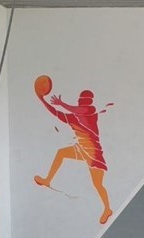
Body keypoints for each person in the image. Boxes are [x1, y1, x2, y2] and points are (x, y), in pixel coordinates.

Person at [34, 85, 113, 225]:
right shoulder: (73, 118)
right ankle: (47, 180)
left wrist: (61, 103)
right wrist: (42, 99)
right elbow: (55, 112)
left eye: (84, 101)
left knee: (97, 184)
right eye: (82, 101)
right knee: (61, 153)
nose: (82, 103)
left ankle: (107, 209)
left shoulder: (91, 112)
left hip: (93, 153)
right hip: (81, 149)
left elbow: (79, 110)